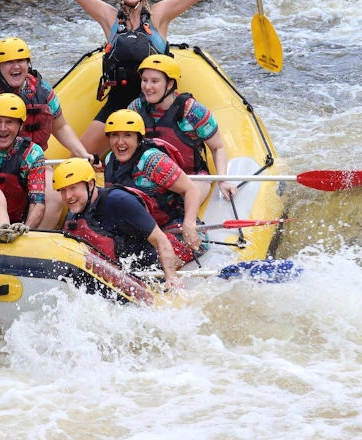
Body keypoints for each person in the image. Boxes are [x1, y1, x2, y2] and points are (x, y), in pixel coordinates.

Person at [21, 0, 259, 156]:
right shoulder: (108, 18)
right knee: (80, 157)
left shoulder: (160, 14)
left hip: (155, 105)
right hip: (118, 103)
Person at [0, 36, 95, 228]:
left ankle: (33, 240)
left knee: (53, 194)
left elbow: (61, 126)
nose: (16, 67)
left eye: (21, 61)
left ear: (28, 63)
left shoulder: (43, 91)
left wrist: (83, 154)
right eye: (9, 62)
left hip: (30, 162)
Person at [53, 157, 185, 289]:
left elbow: (160, 239)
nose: (67, 196)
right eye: (62, 190)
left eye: (73, 188)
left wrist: (171, 277)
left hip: (147, 273)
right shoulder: (75, 211)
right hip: (112, 277)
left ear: (91, 184)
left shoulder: (118, 200)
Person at [129, 54, 236, 202]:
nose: (147, 87)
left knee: (185, 203)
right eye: (144, 80)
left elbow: (217, 148)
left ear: (170, 84)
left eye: (154, 81)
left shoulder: (193, 112)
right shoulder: (135, 108)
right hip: (151, 178)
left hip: (191, 178)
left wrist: (223, 181)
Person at [102, 109, 203, 252]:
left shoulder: (152, 159)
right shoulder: (110, 160)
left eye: (127, 135)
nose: (120, 142)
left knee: (150, 258)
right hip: (144, 229)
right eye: (114, 135)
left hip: (172, 224)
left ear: (138, 138)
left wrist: (189, 224)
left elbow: (191, 190)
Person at [0, 93, 47, 228]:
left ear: (20, 126)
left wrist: (24, 230)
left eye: (9, 122)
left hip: (14, 226)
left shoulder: (32, 153)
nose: (2, 128)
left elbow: (37, 203)